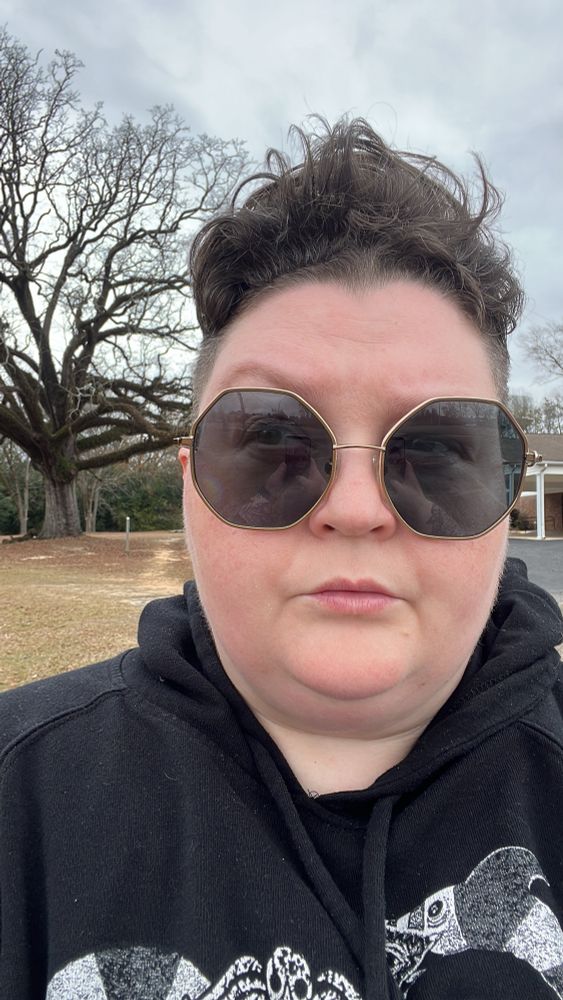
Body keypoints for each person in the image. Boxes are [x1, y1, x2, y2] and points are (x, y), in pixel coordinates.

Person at [1, 119, 562, 1000]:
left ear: (505, 492)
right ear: (189, 488)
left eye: (435, 451)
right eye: (270, 440)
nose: (352, 509)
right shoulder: (17, 798)